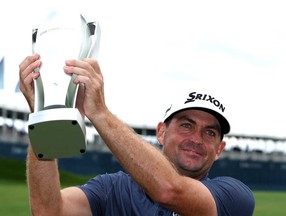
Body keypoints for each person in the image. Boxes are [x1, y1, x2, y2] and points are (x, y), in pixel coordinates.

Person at [19, 54, 255, 216]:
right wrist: (42, 116)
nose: (196, 139)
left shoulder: (234, 196)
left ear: (219, 150)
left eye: (210, 132)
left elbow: (169, 190)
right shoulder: (113, 189)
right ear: (161, 132)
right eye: (186, 125)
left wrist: (99, 113)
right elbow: (48, 211)